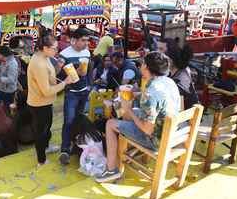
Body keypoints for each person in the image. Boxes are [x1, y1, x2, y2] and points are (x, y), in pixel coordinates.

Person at [96, 52, 181, 183]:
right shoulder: (168, 81)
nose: (140, 66)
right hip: (172, 131)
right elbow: (156, 100)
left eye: (142, 64)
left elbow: (147, 130)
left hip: (157, 140)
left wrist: (128, 109)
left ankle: (111, 169)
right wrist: (136, 95)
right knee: (129, 113)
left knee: (111, 124)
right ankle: (127, 150)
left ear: (146, 66)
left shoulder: (151, 93)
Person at [27, 34, 77, 165]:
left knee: (47, 128)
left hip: (46, 102)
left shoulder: (45, 57)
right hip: (39, 103)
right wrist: (65, 82)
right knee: (41, 132)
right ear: (45, 48)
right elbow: (46, 90)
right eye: (54, 48)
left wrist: (58, 67)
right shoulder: (38, 63)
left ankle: (46, 147)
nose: (57, 51)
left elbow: (50, 77)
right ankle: (41, 160)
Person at [58, 28, 91, 165]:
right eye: (83, 40)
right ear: (74, 40)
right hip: (71, 93)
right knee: (69, 121)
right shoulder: (64, 55)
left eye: (87, 40)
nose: (86, 43)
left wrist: (89, 84)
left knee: (80, 119)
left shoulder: (87, 52)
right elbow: (59, 76)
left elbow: (88, 71)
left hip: (84, 91)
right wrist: (74, 73)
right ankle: (65, 150)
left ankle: (77, 145)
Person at [165, 42, 198, 110]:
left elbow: (180, 111)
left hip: (186, 118)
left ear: (171, 60)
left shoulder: (178, 83)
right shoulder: (184, 69)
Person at [0, 46, 19, 110]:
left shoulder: (12, 64)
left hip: (8, 91)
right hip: (2, 88)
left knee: (7, 107)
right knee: (2, 105)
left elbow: (11, 79)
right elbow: (2, 66)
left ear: (3, 55)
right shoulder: (5, 60)